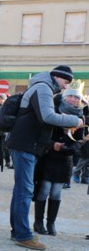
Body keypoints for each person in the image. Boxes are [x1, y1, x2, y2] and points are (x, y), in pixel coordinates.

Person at [6, 65, 83, 250]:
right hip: (26, 143)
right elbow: (47, 116)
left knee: (21, 190)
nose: (65, 87)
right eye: (65, 82)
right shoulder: (43, 87)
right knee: (25, 190)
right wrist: (75, 121)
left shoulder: (42, 86)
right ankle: (23, 235)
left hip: (25, 143)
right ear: (57, 77)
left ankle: (17, 231)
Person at [33, 87, 87, 236]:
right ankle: (38, 222)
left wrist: (71, 147)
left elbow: (81, 140)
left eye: (76, 98)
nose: (72, 99)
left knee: (56, 192)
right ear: (64, 98)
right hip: (49, 157)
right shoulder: (54, 112)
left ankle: (51, 223)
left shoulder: (81, 117)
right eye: (69, 96)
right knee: (44, 189)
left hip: (65, 159)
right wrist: (53, 145)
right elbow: (42, 135)